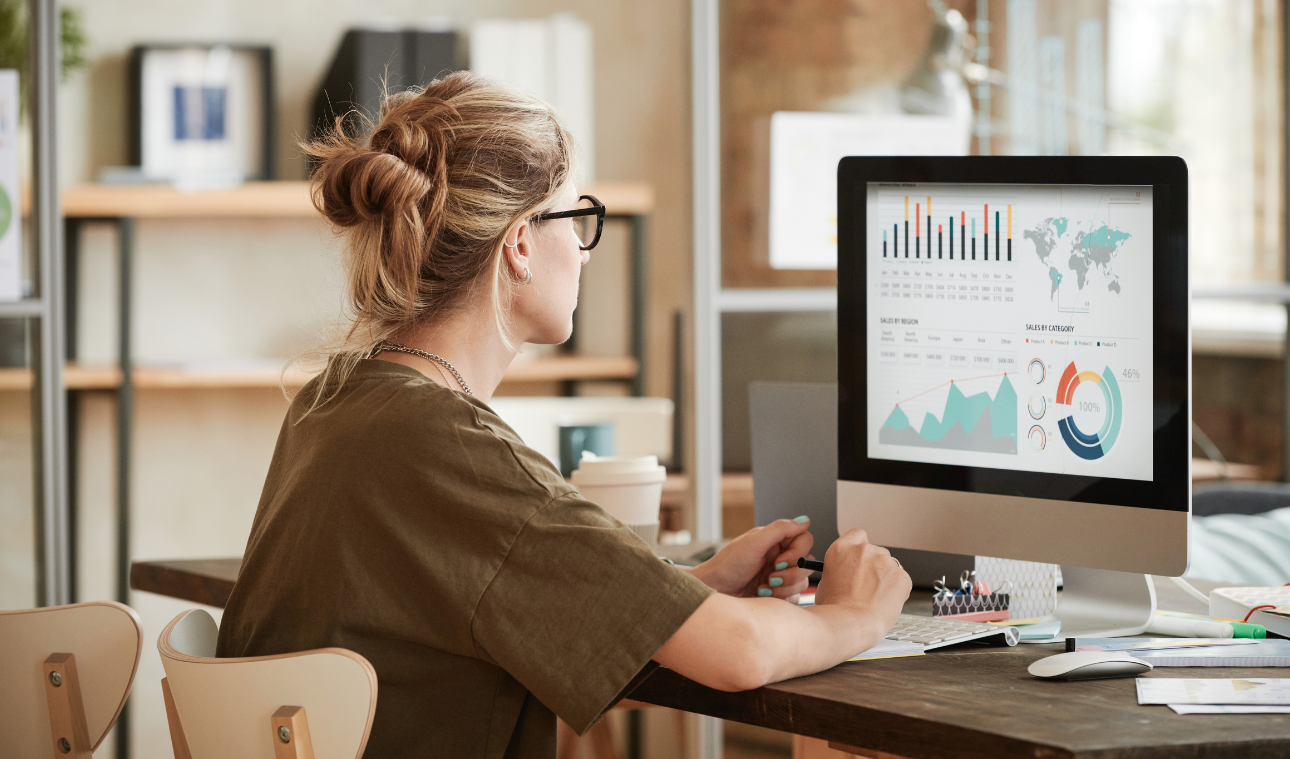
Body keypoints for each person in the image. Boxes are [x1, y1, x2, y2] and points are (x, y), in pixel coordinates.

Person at [215, 72, 911, 758]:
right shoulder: (450, 448)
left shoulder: (333, 401)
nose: (583, 251)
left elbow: (490, 622)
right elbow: (742, 654)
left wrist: (691, 590)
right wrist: (858, 614)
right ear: (519, 243)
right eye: (576, 220)